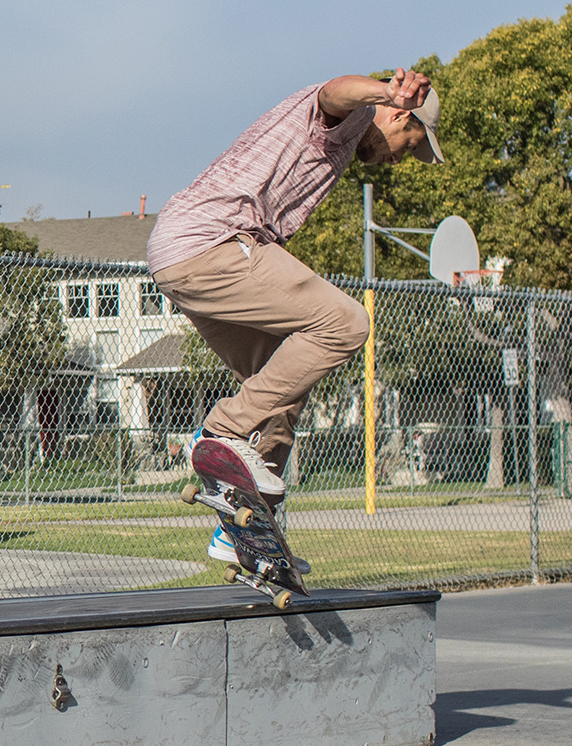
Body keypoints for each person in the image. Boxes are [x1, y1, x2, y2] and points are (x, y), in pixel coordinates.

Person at [147, 68, 443, 565]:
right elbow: (333, 91)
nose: (396, 160)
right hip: (214, 244)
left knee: (280, 387)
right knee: (347, 323)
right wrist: (384, 91)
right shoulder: (355, 117)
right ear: (398, 115)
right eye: (407, 145)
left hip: (180, 259)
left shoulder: (340, 145)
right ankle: (219, 432)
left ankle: (245, 529)